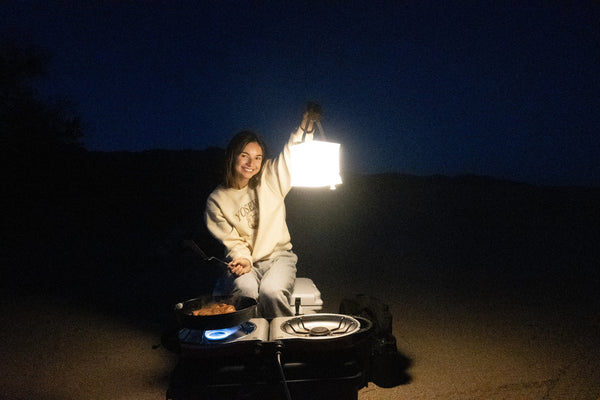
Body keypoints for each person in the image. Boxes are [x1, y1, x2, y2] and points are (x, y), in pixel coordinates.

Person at [204, 106, 320, 319]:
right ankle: (251, 341)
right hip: (247, 262)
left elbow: (291, 154)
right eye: (245, 156)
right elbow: (233, 242)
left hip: (280, 257)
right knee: (246, 294)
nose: (252, 163)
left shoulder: (270, 177)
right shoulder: (216, 200)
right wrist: (243, 259)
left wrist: (307, 125)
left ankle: (283, 341)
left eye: (258, 157)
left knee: (272, 292)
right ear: (233, 156)